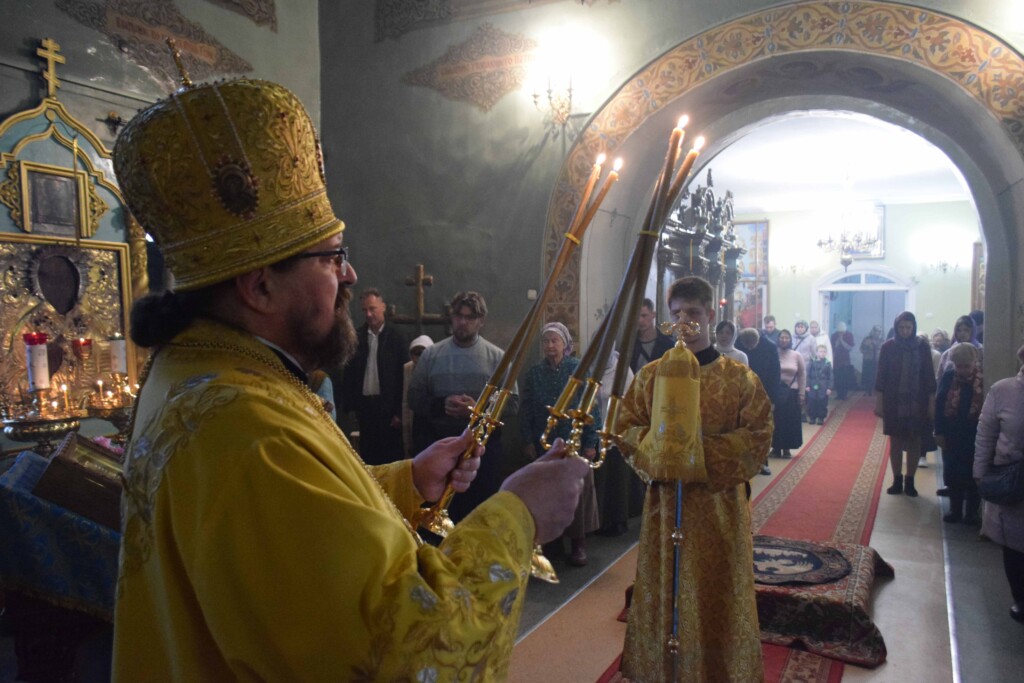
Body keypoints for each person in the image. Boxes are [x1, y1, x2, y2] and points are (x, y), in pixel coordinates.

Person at [110, 77, 589, 680]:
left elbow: (292, 539)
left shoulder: (203, 371)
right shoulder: (247, 425)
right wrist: (519, 514)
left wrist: (407, 480)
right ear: (259, 286)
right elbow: (407, 651)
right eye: (333, 257)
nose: (351, 274)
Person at [616, 276, 772, 682]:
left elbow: (758, 436)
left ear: (711, 316)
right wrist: (659, 455)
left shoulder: (738, 378)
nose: (685, 322)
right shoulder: (651, 376)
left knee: (715, 592)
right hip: (666, 509)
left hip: (718, 511)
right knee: (667, 589)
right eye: (677, 314)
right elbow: (627, 427)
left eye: (694, 314)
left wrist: (694, 456)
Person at [407, 291, 519, 523]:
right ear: (452, 317)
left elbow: (513, 403)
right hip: (440, 446)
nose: (463, 322)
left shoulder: (498, 357)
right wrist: (441, 405)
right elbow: (414, 398)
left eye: (470, 317)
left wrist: (478, 408)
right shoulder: (431, 356)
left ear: (481, 321)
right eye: (459, 316)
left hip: (482, 452)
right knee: (438, 517)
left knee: (478, 518)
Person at [520, 322, 600, 565]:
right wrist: (526, 439)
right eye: (546, 341)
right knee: (547, 493)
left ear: (565, 345)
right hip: (544, 441)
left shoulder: (578, 369)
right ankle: (550, 542)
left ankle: (578, 542)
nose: (550, 346)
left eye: (555, 341)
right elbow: (526, 409)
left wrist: (591, 440)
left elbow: (591, 407)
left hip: (573, 439)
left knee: (577, 492)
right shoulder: (534, 373)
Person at [974, 342, 1024, 623]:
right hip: (1012, 480)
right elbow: (985, 435)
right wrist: (981, 474)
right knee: (1015, 544)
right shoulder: (1003, 391)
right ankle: (1020, 597)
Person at [341, 288, 407, 464]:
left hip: (388, 409)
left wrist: (399, 413)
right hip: (366, 408)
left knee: (391, 457)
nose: (368, 314)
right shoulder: (357, 336)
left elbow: (403, 377)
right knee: (368, 457)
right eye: (365, 310)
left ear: (383, 307)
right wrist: (352, 405)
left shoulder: (396, 337)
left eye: (373, 309)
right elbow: (350, 373)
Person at [875, 311, 936, 497]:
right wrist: (879, 402)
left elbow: (928, 376)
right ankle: (897, 479)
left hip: (917, 400)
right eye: (901, 327)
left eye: (908, 327)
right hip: (894, 401)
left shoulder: (922, 346)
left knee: (915, 440)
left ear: (913, 327)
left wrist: (931, 403)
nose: (904, 331)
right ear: (896, 327)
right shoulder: (888, 347)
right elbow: (881, 377)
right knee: (895, 440)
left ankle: (910, 480)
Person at [934, 344, 983, 523]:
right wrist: (938, 431)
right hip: (952, 432)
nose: (962, 370)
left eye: (966, 366)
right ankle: (955, 511)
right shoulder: (948, 376)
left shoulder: (981, 379)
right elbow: (939, 405)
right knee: (953, 473)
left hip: (974, 433)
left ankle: (971, 513)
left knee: (973, 474)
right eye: (959, 366)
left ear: (974, 363)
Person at [594, 347, 635, 536]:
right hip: (595, 429)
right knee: (599, 478)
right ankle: (599, 521)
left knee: (617, 479)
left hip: (617, 431)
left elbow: (630, 401)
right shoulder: (592, 368)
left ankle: (617, 521)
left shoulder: (622, 371)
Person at [736, 327, 780, 476]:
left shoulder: (770, 347)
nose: (749, 348)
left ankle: (763, 463)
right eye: (746, 345)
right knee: (742, 429)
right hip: (741, 394)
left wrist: (773, 399)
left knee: (762, 430)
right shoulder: (738, 345)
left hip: (764, 393)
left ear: (758, 341)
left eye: (751, 345)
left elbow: (775, 374)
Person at [772, 329, 806, 458]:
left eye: (786, 338)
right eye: (782, 337)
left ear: (790, 340)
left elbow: (802, 375)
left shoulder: (797, 355)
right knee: (776, 421)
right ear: (778, 339)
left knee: (789, 421)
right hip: (776, 392)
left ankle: (787, 448)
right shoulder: (773, 353)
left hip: (792, 393)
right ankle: (776, 448)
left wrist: (802, 394)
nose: (784, 340)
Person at [402, 334, 434, 457]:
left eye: (423, 353)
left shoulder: (435, 367)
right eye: (416, 353)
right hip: (414, 415)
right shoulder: (408, 368)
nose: (419, 357)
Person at [630, 297, 675, 373]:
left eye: (644, 315)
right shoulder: (629, 345)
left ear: (653, 315)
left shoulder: (668, 344)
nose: (640, 320)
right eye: (637, 316)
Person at [937, 315, 984, 379]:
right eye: (959, 330)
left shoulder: (981, 351)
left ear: (973, 331)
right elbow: (940, 378)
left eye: (966, 330)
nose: (962, 333)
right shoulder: (948, 353)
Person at [806, 344, 833, 426]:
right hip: (812, 384)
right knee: (811, 401)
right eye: (820, 351)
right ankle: (812, 417)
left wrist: (829, 388)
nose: (822, 353)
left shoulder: (827, 363)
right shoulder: (811, 362)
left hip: (823, 385)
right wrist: (807, 385)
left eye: (824, 352)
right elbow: (807, 374)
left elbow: (831, 376)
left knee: (822, 402)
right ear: (816, 353)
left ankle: (821, 417)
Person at [831, 321, 856, 400]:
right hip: (836, 360)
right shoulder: (834, 336)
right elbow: (832, 348)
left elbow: (849, 348)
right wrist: (838, 340)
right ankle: (839, 394)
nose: (841, 333)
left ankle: (844, 394)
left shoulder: (849, 335)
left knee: (845, 378)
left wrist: (842, 340)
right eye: (839, 332)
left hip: (845, 360)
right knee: (837, 378)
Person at [860, 325, 883, 395]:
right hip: (868, 360)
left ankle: (876, 390)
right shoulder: (867, 339)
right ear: (873, 331)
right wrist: (867, 348)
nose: (877, 333)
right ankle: (868, 390)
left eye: (879, 331)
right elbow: (861, 349)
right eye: (876, 331)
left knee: (876, 376)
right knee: (868, 376)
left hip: (878, 361)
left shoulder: (882, 340)